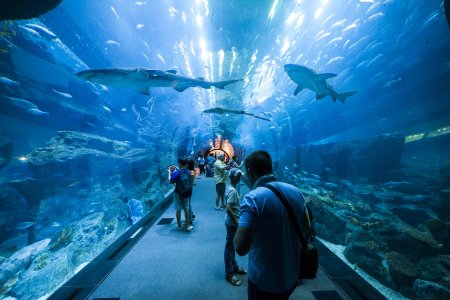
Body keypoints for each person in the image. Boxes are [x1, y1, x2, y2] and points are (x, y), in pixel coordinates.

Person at [233, 150, 310, 300]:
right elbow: (306, 227)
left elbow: (240, 247)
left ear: (250, 171)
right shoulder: (295, 191)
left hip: (264, 281)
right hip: (291, 275)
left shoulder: (253, 198)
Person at [224, 168, 247, 286]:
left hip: (231, 222)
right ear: (235, 178)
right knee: (229, 247)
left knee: (232, 246)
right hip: (232, 223)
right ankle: (229, 274)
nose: (240, 178)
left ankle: (234, 267)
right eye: (238, 177)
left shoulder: (229, 187)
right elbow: (228, 208)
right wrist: (236, 222)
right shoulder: (232, 191)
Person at [169, 157, 193, 232]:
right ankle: (188, 226)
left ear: (179, 164)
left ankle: (179, 226)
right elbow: (191, 182)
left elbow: (171, 181)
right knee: (186, 209)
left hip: (178, 194)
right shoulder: (189, 172)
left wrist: (170, 172)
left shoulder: (176, 172)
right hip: (186, 193)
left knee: (178, 209)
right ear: (186, 164)